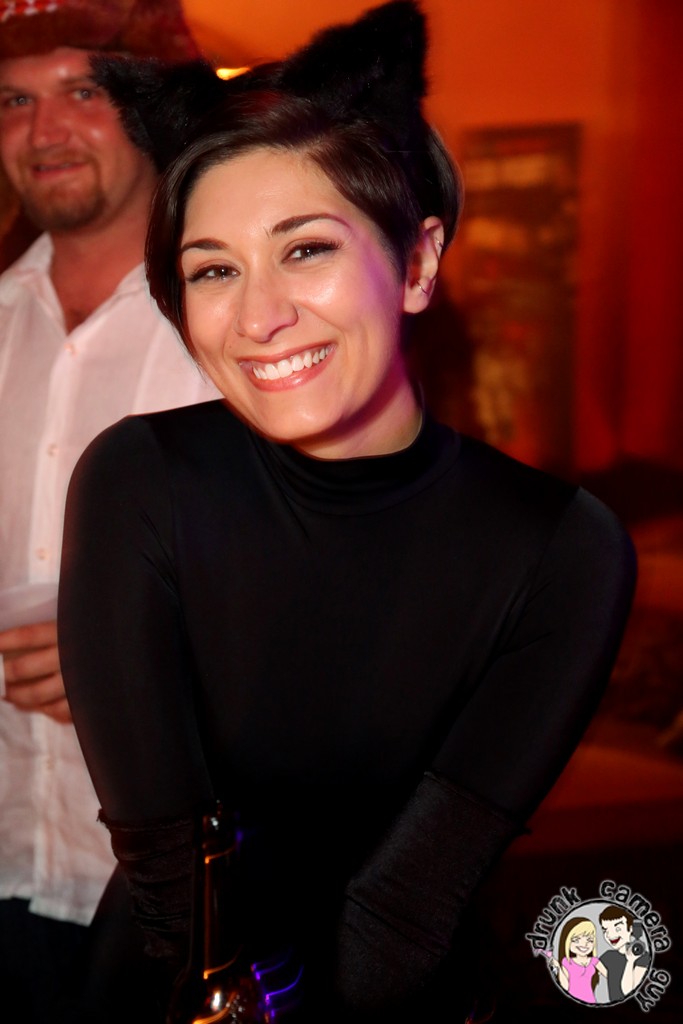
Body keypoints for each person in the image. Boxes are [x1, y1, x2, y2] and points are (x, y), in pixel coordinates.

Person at [58, 2, 638, 1021]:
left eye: (305, 250)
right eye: (213, 270)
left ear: (416, 263)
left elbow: (407, 904)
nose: (259, 316)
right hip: (172, 993)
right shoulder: (141, 481)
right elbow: (175, 880)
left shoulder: (559, 547)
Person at [0, 2, 219, 1021]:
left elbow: (344, 590)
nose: (44, 130)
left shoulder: (241, 324)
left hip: (188, 888)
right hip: (8, 870)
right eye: (13, 100)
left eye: (83, 90)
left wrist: (128, 657)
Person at [550, 916, 607, 1004]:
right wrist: (558, 967)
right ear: (567, 941)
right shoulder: (567, 962)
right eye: (576, 940)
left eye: (590, 940)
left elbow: (610, 976)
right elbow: (565, 987)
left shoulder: (594, 961)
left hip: (590, 1001)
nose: (584, 944)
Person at [599, 905, 651, 1002]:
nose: (610, 935)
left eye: (618, 929)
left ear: (630, 929)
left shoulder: (643, 957)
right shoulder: (608, 956)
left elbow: (628, 992)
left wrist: (630, 961)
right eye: (605, 930)